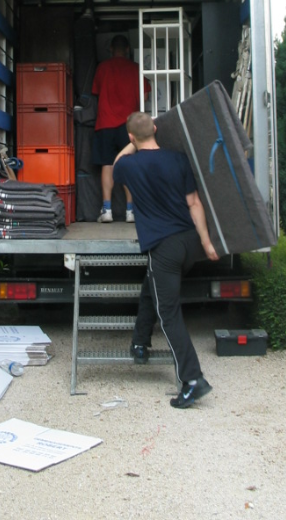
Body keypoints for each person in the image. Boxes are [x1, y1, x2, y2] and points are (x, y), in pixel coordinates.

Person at [113, 111, 219, 408]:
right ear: (156, 129)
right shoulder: (179, 159)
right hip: (189, 242)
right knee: (153, 284)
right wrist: (206, 243)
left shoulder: (129, 165)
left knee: (168, 314)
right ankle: (140, 341)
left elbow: (118, 162)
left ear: (131, 137)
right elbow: (194, 203)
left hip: (164, 248)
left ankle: (193, 380)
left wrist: (133, 142)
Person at [91, 34, 148, 222]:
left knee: (107, 165)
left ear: (110, 49)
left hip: (105, 123)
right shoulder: (136, 69)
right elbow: (146, 96)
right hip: (128, 126)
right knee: (129, 164)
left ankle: (107, 210)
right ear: (128, 49)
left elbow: (96, 92)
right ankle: (130, 211)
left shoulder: (102, 68)